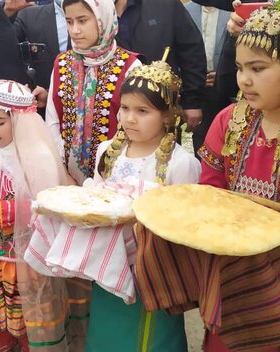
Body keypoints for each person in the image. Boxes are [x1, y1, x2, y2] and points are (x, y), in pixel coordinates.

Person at [198, 2, 280, 351]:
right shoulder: (228, 120)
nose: (244, 80)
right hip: (233, 279)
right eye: (240, 68)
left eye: (258, 68)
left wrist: (259, 265)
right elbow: (209, 197)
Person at [85, 60, 200, 351]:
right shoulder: (107, 152)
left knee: (151, 338)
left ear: (168, 115)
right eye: (125, 108)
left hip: (153, 273)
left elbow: (184, 226)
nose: (130, 119)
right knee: (106, 333)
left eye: (143, 111)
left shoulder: (181, 164)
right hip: (107, 265)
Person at [0, 79, 74, 352]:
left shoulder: (37, 156)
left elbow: (47, 208)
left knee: (30, 320)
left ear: (20, 120)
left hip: (24, 258)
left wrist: (3, 209)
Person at [79, 0, 206, 132]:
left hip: (161, 115)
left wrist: (192, 102)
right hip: (109, 119)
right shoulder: (84, 20)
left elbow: (192, 51)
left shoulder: (164, 3)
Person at [46, 0, 142, 184]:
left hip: (115, 178)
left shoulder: (130, 66)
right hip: (67, 178)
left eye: (82, 21)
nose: (75, 30)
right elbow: (52, 120)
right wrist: (63, 173)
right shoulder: (62, 63)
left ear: (102, 18)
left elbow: (133, 128)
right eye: (69, 22)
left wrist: (105, 180)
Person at [11, 0, 82, 92]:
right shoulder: (28, 16)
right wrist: (9, 11)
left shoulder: (96, 18)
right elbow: (3, 47)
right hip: (40, 98)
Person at [184, 0, 229, 154]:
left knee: (224, 136)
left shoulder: (232, 11)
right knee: (200, 136)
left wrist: (222, 73)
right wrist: (194, 76)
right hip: (195, 86)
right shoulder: (185, 10)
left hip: (224, 88)